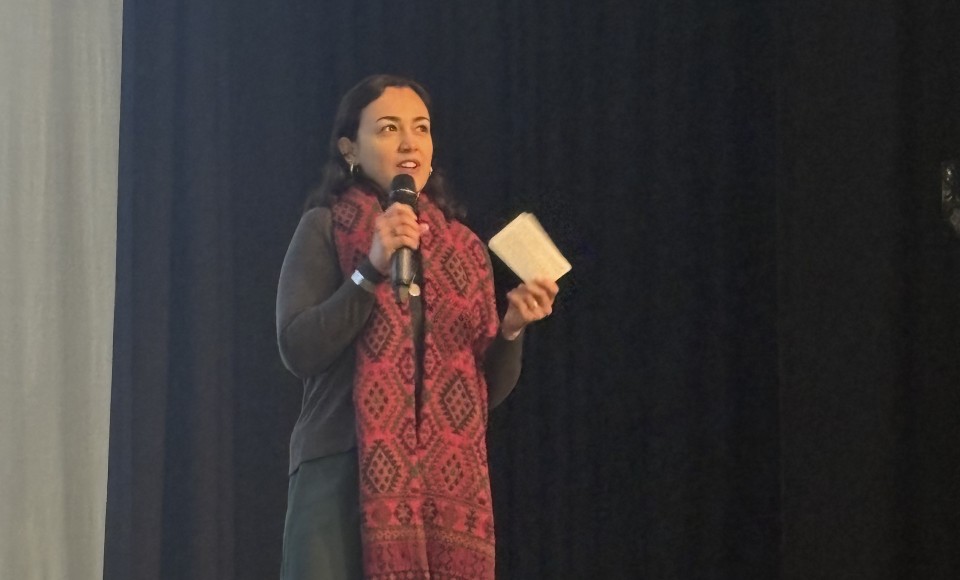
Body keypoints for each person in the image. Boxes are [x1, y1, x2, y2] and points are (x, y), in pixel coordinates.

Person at [276, 74, 558, 580]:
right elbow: (299, 349)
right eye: (388, 128)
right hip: (340, 470)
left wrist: (512, 330)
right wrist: (370, 269)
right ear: (349, 148)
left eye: (421, 129)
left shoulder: (466, 250)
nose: (409, 143)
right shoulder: (326, 226)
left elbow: (481, 394)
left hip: (442, 490)